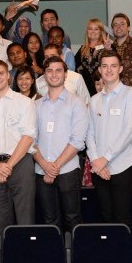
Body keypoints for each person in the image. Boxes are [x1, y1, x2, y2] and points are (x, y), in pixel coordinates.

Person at [86, 51, 132, 228]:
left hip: (122, 166)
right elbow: (89, 134)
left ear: (121, 68)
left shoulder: (131, 95)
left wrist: (105, 158)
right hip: (99, 169)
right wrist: (96, 160)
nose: (109, 70)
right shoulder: (94, 100)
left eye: (113, 65)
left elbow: (129, 132)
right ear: (100, 70)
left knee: (122, 217)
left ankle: (129, 255)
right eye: (104, 66)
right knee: (106, 217)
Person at [0, 60, 37, 235]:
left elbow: (28, 137)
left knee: (25, 216)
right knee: (0, 218)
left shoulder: (24, 102)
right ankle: (4, 259)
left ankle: (26, 260)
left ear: (8, 76)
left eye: (0, 73)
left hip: (20, 163)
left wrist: (8, 166)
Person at [34, 57, 88, 232]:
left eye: (58, 70)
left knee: (73, 219)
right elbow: (30, 140)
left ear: (65, 75)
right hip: (41, 171)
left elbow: (78, 141)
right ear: (44, 75)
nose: (54, 74)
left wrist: (54, 167)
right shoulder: (35, 105)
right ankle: (54, 259)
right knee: (49, 221)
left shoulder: (77, 103)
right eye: (49, 70)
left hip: (68, 170)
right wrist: (45, 165)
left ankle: (77, 259)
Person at [75, 19, 112, 96]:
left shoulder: (107, 47)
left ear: (101, 32)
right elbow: (75, 69)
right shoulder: (82, 49)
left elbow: (114, 64)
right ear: (87, 31)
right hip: (84, 91)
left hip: (102, 89)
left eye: (96, 29)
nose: (93, 31)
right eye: (90, 29)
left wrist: (108, 49)